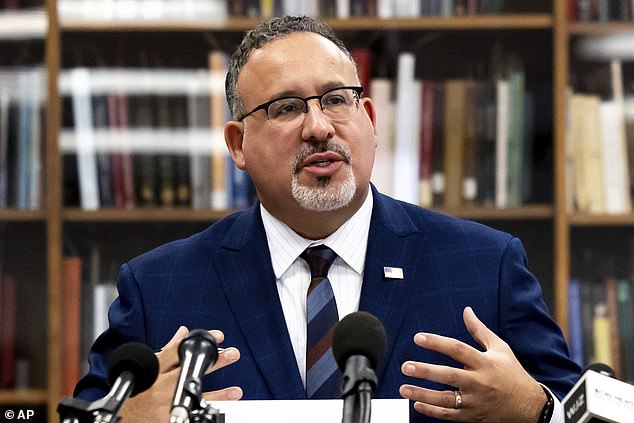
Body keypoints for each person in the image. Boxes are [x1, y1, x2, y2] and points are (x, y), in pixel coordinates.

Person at [74, 16, 581, 422]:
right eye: (287, 108)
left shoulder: (483, 265)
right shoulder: (159, 287)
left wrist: (539, 411)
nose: (319, 127)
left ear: (371, 121)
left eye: (337, 100)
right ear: (238, 144)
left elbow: (580, 409)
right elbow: (91, 412)